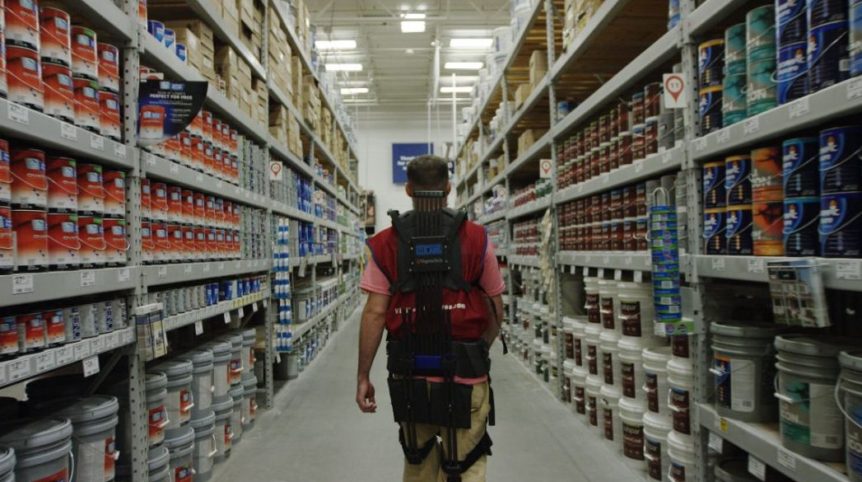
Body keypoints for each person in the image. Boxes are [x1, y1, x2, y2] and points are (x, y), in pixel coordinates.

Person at [356, 155, 506, 482]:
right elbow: (496, 309)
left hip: (410, 380)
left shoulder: (384, 245)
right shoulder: (478, 240)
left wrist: (363, 375)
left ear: (408, 189)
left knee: (418, 463)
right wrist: (478, 349)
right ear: (449, 188)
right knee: (464, 467)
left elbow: (375, 313)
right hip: (465, 377)